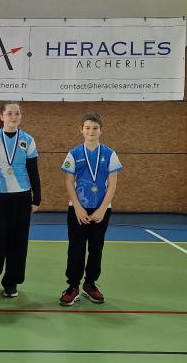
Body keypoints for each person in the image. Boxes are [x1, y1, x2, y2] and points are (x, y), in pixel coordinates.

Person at [59, 113, 122, 306]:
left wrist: (102, 209)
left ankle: (90, 284)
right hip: (77, 210)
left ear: (101, 130)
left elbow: (113, 183)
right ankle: (73, 286)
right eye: (87, 128)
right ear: (81, 130)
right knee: (76, 249)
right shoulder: (74, 154)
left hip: (101, 210)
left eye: (95, 128)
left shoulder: (110, 154)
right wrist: (78, 207)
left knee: (96, 248)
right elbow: (69, 182)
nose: (91, 131)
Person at [0, 102, 41, 298]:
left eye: (17, 113)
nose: (13, 117)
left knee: (18, 242)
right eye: (9, 113)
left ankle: (11, 282)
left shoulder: (28, 140)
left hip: (22, 197)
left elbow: (33, 170)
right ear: (2, 116)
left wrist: (36, 198)